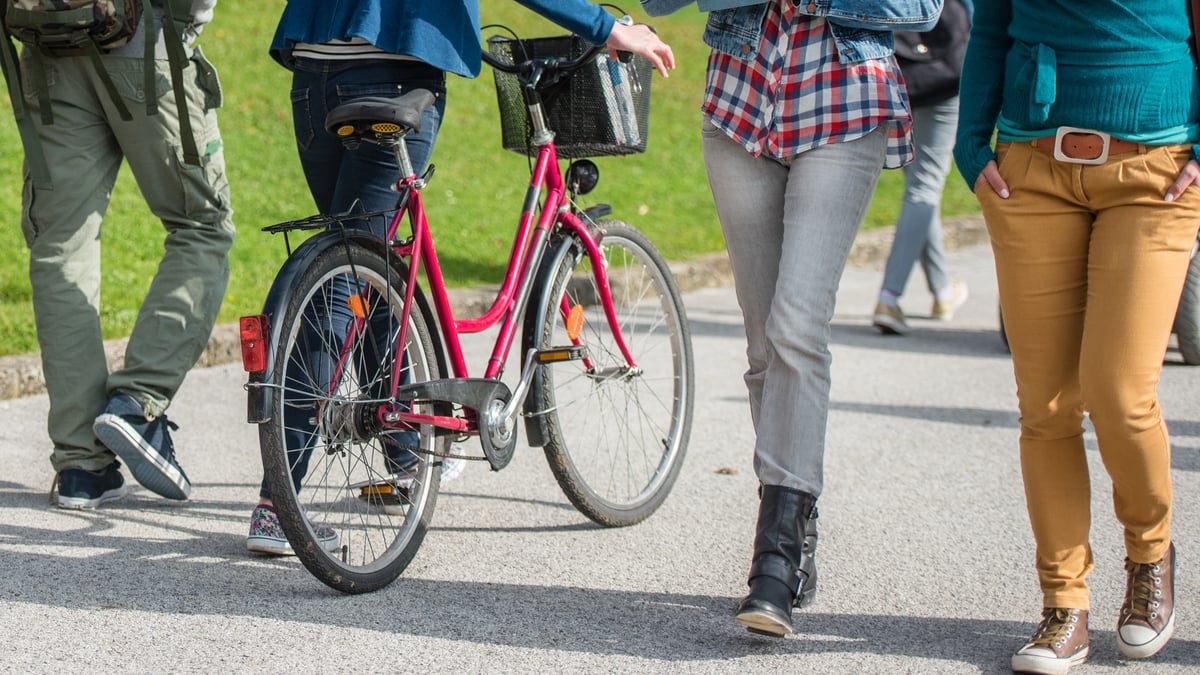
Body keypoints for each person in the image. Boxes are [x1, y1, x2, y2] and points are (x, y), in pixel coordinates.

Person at [244, 0, 676, 555]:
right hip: (396, 64)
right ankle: (277, 506)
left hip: (313, 67)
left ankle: (407, 451)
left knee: (366, 265)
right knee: (346, 282)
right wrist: (609, 27)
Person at [640, 0, 940, 637]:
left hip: (843, 106)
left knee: (797, 329)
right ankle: (798, 516)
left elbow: (924, 8)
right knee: (763, 348)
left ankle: (773, 563)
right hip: (741, 110)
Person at [954, 1, 1199, 671]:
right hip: (1031, 170)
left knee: (1118, 392)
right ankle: (1065, 604)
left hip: (1158, 171)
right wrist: (971, 146)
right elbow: (994, 23)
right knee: (1048, 404)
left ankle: (1150, 556)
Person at [6, 1, 234, 509]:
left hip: (48, 48)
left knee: (59, 249)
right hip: (146, 45)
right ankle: (138, 403)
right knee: (202, 225)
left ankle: (80, 465)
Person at [870, 0, 972, 335]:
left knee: (918, 186)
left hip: (897, 74)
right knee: (924, 187)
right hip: (946, 75)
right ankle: (889, 296)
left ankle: (942, 290)